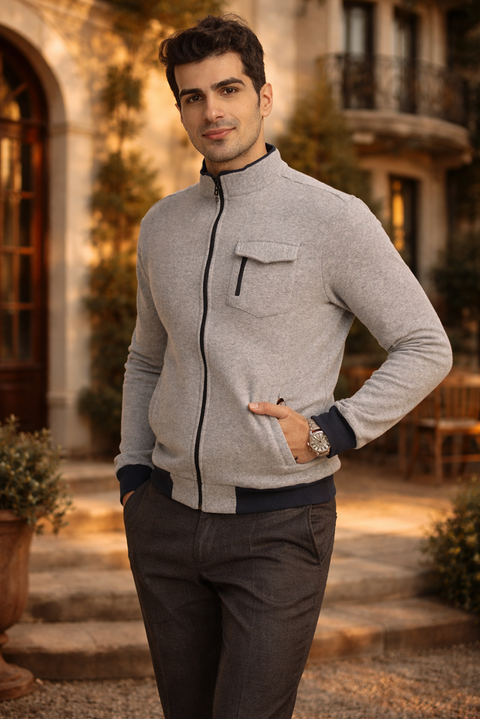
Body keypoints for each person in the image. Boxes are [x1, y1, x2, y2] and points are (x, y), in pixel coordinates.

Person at [115, 14, 452, 719]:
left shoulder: (334, 218)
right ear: (180, 107)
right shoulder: (161, 226)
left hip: (278, 527)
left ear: (264, 97)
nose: (212, 111)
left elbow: (426, 344)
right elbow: (147, 357)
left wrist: (334, 430)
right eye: (193, 96)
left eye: (229, 89)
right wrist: (133, 475)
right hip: (164, 522)